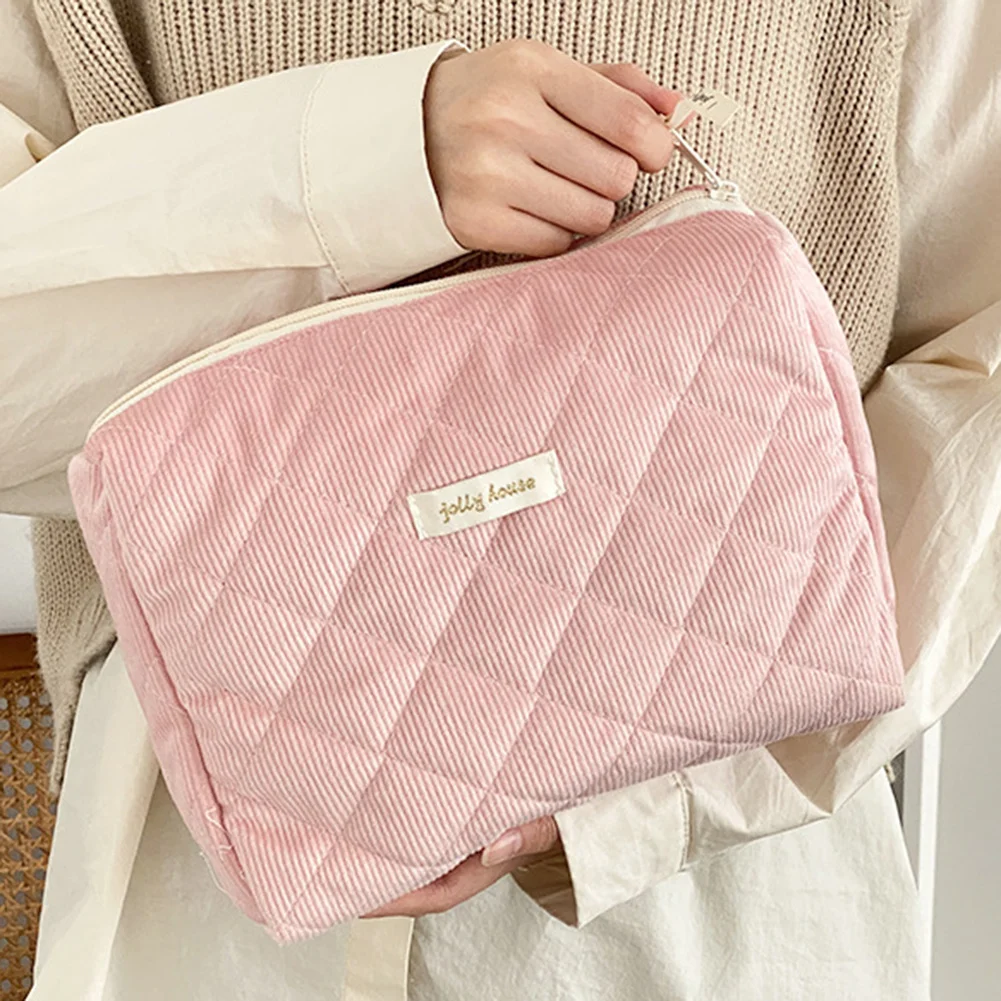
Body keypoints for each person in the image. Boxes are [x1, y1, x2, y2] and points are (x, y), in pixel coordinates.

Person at [1, 1, 1000, 998]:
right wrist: (378, 163)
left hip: (722, 860)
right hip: (216, 834)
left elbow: (975, 378)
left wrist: (652, 809)